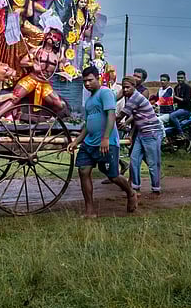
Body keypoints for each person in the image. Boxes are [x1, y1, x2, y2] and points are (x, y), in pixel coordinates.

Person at [69, 66, 137, 217]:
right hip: (89, 143)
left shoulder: (105, 93)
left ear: (98, 78)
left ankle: (130, 192)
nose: (87, 84)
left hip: (107, 142)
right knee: (83, 171)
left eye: (90, 80)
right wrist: (77, 141)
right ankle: (89, 211)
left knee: (112, 175)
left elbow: (111, 116)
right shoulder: (89, 100)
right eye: (84, 81)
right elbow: (87, 125)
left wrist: (105, 138)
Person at [119, 75, 163, 195]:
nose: (125, 90)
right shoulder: (132, 98)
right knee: (134, 160)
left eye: (127, 87)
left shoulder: (135, 98)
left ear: (134, 87)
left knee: (153, 163)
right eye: (123, 88)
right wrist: (131, 135)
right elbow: (137, 119)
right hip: (141, 133)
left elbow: (119, 116)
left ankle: (156, 190)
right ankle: (136, 188)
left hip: (151, 132)